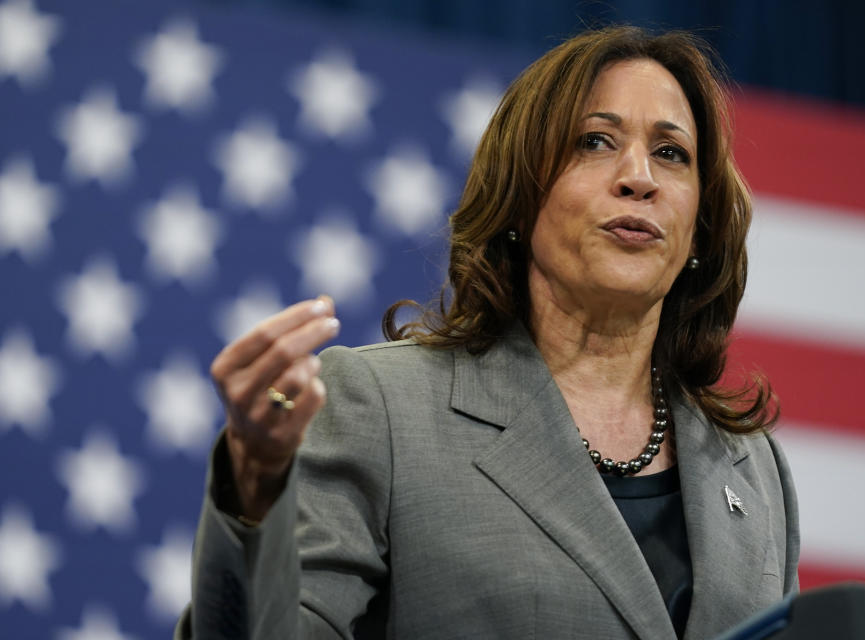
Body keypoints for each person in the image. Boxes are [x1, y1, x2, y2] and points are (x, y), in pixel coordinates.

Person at [176, 25, 799, 640]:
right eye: (594, 142)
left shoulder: (750, 465)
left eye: (672, 153)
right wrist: (254, 484)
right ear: (520, 201)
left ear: (700, 227)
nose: (640, 177)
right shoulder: (383, 409)